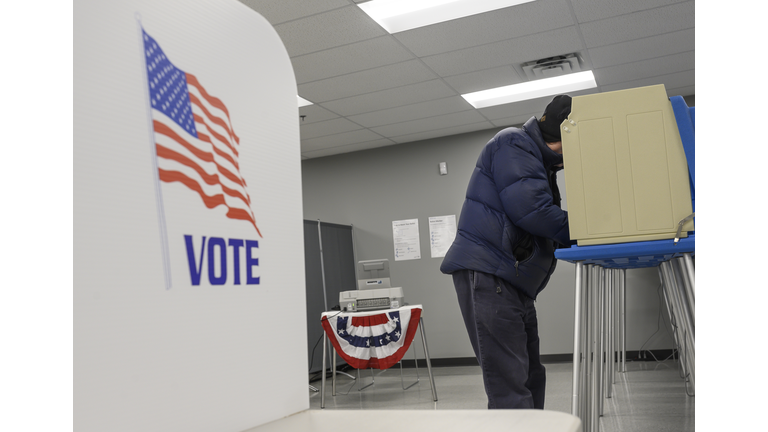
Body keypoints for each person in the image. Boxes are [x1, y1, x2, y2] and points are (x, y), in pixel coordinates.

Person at [439, 94, 573, 409]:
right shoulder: (513, 143)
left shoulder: (538, 161)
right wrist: (590, 230)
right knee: (510, 385)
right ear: (565, 137)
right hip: (491, 274)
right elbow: (533, 212)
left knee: (530, 376)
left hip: (511, 280)